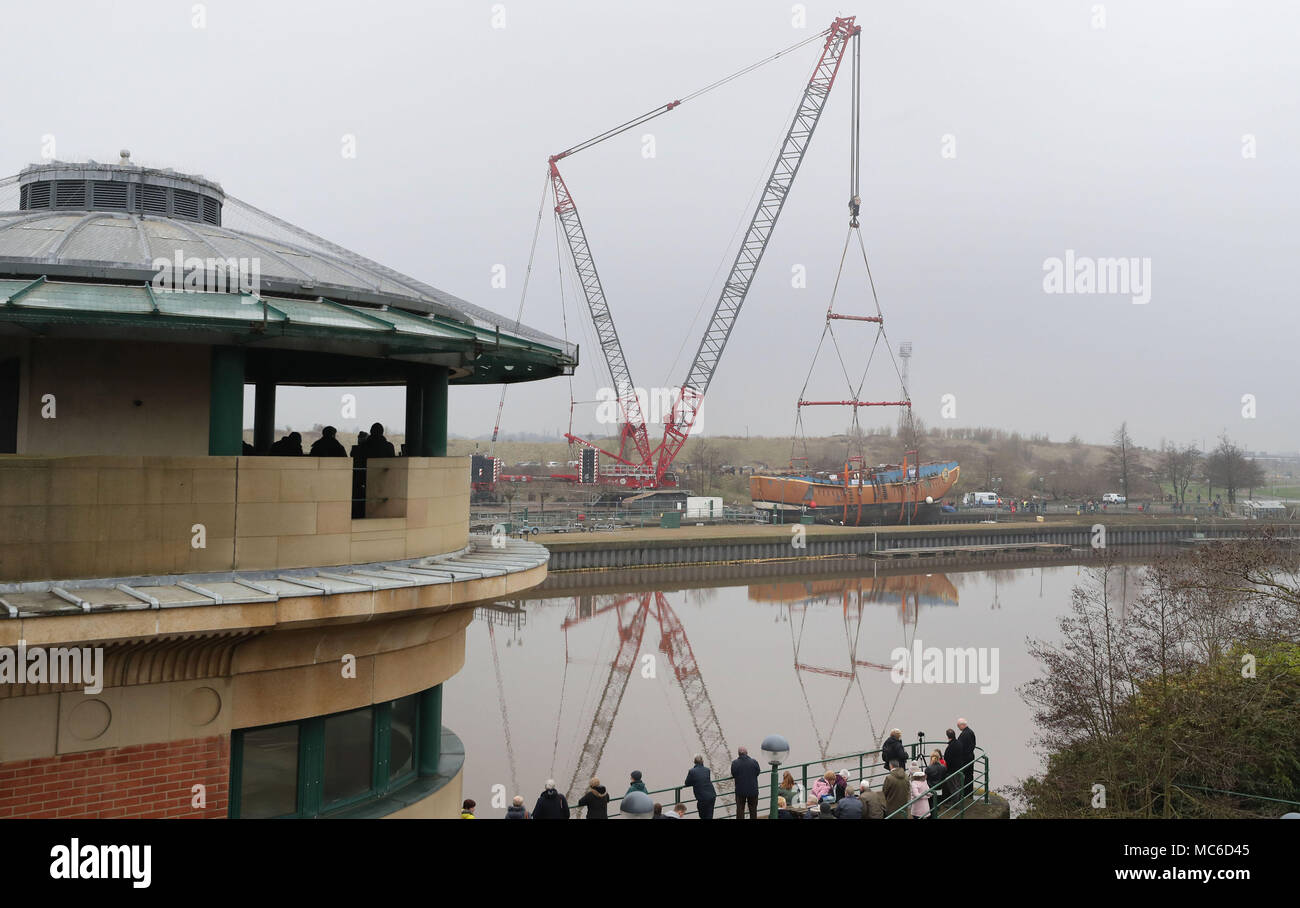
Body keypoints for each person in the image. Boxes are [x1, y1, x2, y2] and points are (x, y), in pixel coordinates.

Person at [730, 746, 762, 820]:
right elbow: (757, 772)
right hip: (753, 790)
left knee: (740, 810)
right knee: (753, 809)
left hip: (740, 791)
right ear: (747, 753)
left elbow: (734, 774)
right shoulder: (754, 762)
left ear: (738, 754)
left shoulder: (735, 763)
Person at [684, 755, 717, 820]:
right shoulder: (707, 770)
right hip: (712, 796)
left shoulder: (692, 771)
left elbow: (687, 783)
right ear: (702, 761)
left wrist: (694, 782)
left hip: (702, 798)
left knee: (702, 815)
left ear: (694, 762)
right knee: (709, 815)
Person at [957, 718, 977, 799]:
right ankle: (969, 793)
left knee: (965, 776)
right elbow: (974, 744)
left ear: (962, 725)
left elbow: (961, 747)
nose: (958, 728)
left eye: (958, 726)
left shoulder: (964, 734)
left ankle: (965, 793)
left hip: (965, 759)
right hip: (970, 757)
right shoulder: (971, 732)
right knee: (970, 776)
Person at [942, 729, 964, 803]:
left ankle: (954, 803)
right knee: (958, 785)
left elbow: (947, 758)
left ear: (947, 736)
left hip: (952, 770)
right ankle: (959, 800)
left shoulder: (950, 747)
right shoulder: (959, 743)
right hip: (959, 767)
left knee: (953, 787)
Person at [925, 749, 947, 815]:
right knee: (936, 806)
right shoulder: (943, 767)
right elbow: (944, 778)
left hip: (931, 790)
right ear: (939, 758)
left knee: (930, 807)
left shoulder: (928, 768)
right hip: (939, 790)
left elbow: (926, 780)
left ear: (931, 758)